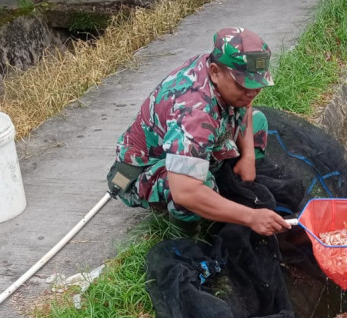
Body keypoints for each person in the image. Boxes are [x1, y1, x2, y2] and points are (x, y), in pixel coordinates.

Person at [110, 27, 290, 237]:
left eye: (257, 85)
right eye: (243, 85)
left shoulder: (221, 69)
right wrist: (250, 217)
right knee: (196, 186)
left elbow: (246, 104)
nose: (251, 93)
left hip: (189, 146)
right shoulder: (193, 113)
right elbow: (185, 192)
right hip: (139, 174)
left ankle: (233, 192)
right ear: (215, 72)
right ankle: (186, 241)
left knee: (258, 121)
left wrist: (248, 156)